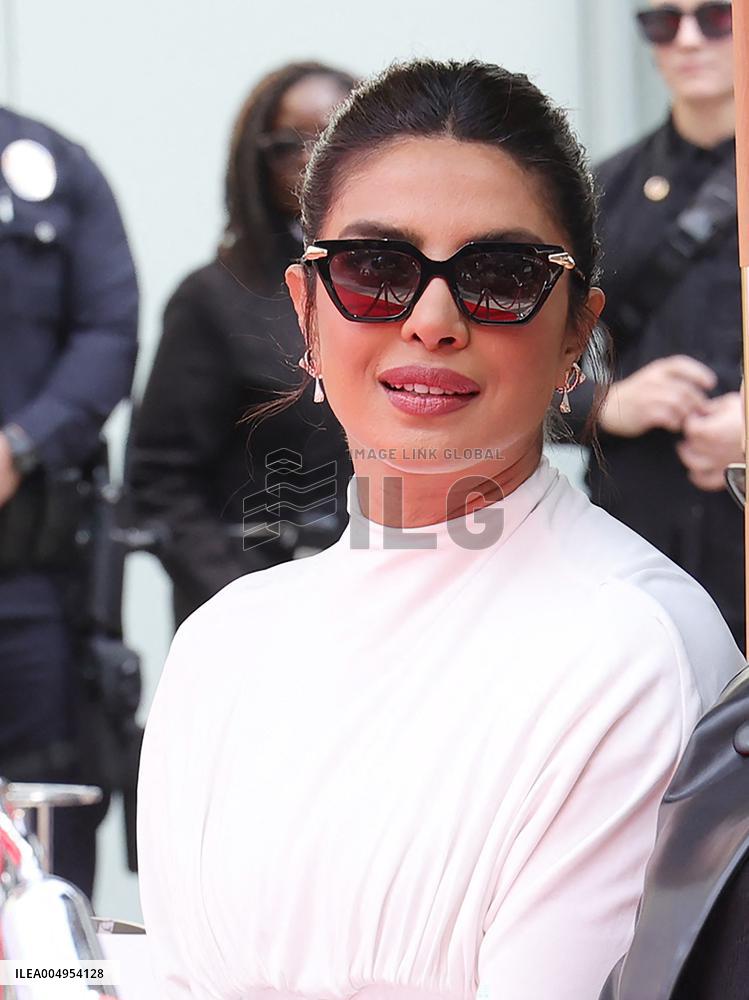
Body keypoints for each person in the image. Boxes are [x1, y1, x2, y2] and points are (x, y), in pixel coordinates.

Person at [137, 59, 743, 1000]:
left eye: (499, 276)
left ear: (575, 333)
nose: (432, 319)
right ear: (306, 311)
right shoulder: (220, 647)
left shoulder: (632, 649)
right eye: (375, 269)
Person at [127, 62, 356, 627]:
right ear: (256, 163)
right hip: (258, 606)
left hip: (395, 599)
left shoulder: (413, 291)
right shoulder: (212, 298)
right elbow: (160, 482)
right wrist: (245, 603)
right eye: (291, 145)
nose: (315, 160)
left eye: (336, 139)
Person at [566, 0, 744, 647]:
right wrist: (604, 404)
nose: (687, 40)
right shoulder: (597, 193)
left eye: (715, 17)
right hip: (639, 541)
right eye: (662, 23)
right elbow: (507, 363)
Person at [0, 106, 139, 898]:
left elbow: (108, 331)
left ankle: (52, 964)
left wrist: (20, 446)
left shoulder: (50, 169)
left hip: (27, 579)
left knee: (47, 827)